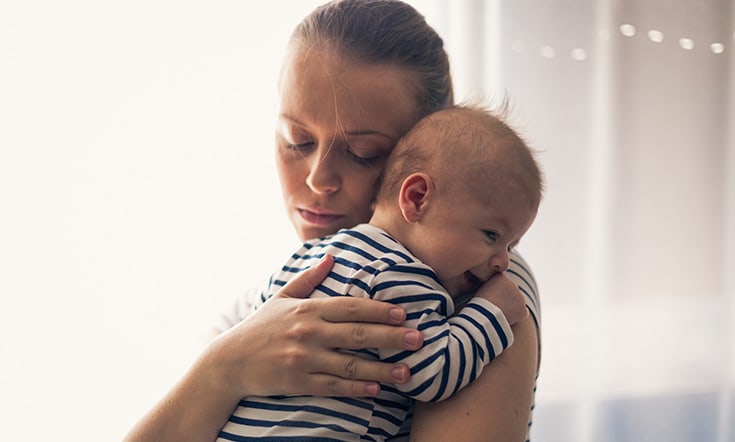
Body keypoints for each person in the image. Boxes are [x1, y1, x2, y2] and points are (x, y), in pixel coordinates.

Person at [124, 1, 541, 441]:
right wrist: (220, 371)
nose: (317, 177)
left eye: (363, 153)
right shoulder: (256, 308)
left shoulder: (478, 279)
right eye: (297, 140)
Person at [218, 104, 542, 440]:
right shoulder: (402, 275)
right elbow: (432, 375)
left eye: (510, 245)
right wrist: (491, 314)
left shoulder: (309, 255)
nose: (502, 263)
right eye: (492, 235)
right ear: (416, 199)